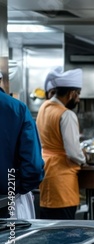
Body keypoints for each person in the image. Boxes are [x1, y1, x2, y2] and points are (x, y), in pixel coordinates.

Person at [36, 68, 86, 220]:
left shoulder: (43, 108)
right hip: (62, 180)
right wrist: (84, 158)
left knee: (50, 228)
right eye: (77, 95)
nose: (77, 100)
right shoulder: (66, 114)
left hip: (46, 172)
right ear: (72, 93)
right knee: (64, 231)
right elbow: (73, 152)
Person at [0, 72, 45, 219]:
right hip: (9, 202)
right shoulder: (17, 109)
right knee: (11, 241)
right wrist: (17, 188)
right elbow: (33, 166)